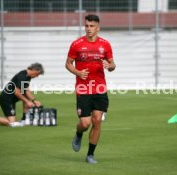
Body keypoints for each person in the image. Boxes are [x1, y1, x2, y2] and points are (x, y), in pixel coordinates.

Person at [65, 14, 116, 164]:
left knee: (97, 121)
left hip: (100, 88)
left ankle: (90, 155)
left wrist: (110, 66)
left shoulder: (105, 44)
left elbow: (113, 65)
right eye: (86, 25)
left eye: (92, 26)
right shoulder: (77, 44)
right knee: (85, 123)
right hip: (83, 89)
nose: (88, 29)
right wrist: (78, 72)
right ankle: (79, 133)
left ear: (98, 28)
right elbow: (68, 64)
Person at [0, 63, 44, 127]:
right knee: (11, 123)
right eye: (37, 74)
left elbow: (26, 90)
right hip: (6, 99)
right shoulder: (22, 76)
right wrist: (27, 102)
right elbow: (17, 93)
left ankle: (24, 119)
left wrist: (34, 100)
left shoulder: (28, 76)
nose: (37, 76)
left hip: (12, 99)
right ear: (33, 70)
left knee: (27, 97)